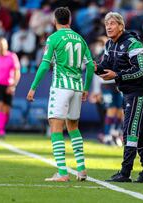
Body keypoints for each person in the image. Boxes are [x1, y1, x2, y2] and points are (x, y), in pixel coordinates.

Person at [26, 7, 95, 182]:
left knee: (56, 128)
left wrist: (33, 87)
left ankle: (62, 172)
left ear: (54, 21)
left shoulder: (53, 38)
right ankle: (81, 169)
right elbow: (91, 66)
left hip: (61, 87)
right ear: (70, 21)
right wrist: (86, 88)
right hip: (77, 88)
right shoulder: (80, 39)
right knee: (73, 127)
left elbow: (44, 65)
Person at [96, 12, 143, 183]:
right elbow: (104, 65)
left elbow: (140, 70)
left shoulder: (133, 43)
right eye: (107, 23)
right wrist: (94, 67)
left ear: (121, 26)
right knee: (138, 131)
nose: (108, 26)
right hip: (127, 91)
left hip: (138, 91)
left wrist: (117, 75)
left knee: (130, 130)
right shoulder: (109, 44)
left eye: (113, 23)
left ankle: (125, 172)